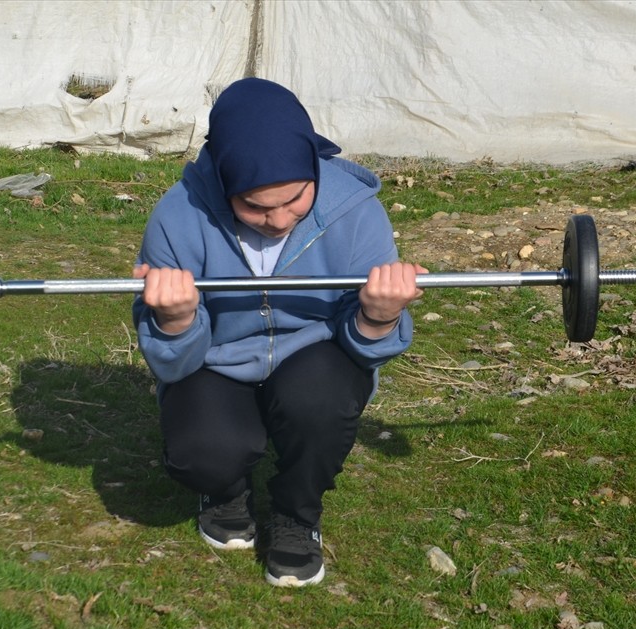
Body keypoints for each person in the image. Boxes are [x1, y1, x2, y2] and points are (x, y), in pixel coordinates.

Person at [132, 77, 425, 587]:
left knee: (319, 404)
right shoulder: (178, 216)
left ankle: (296, 516)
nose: (278, 219)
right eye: (255, 206)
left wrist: (377, 316)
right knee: (202, 452)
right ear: (224, 183)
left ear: (313, 169)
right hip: (215, 358)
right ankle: (225, 492)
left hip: (317, 354)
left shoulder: (355, 212)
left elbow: (367, 350)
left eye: (293, 200)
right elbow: (173, 363)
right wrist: (176, 320)